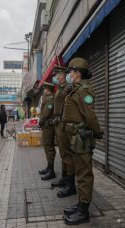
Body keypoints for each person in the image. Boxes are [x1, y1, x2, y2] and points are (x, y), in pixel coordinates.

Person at [61, 58, 103, 225]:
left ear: (77, 73)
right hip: (72, 136)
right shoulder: (74, 90)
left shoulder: (84, 92)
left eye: (70, 71)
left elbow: (90, 116)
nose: (68, 74)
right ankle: (80, 204)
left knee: (84, 173)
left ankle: (84, 211)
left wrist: (98, 132)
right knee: (79, 171)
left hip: (80, 137)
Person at [50, 65, 76, 198]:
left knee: (67, 155)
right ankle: (65, 179)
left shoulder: (68, 87)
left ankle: (71, 185)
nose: (54, 77)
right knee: (63, 154)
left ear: (62, 75)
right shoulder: (60, 87)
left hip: (64, 124)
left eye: (56, 75)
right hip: (58, 123)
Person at [38, 82, 56, 180]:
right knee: (48, 146)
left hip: (48, 126)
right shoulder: (48, 98)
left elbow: (46, 113)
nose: (43, 90)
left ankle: (51, 170)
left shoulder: (50, 98)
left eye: (44, 88)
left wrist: (40, 122)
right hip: (47, 125)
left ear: (48, 89)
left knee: (48, 146)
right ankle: (49, 167)